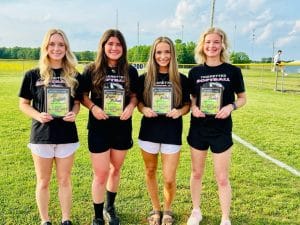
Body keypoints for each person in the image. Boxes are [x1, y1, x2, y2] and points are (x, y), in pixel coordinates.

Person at [19, 28, 82, 225]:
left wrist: (74, 112)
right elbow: (23, 104)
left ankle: (66, 219)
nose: (56, 48)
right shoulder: (32, 74)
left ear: (66, 48)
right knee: (43, 181)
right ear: (45, 47)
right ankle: (45, 220)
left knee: (65, 180)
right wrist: (38, 115)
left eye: (61, 44)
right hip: (41, 136)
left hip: (66, 136)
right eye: (52, 44)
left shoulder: (73, 75)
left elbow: (77, 102)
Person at [186, 27, 246, 225]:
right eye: (208, 42)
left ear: (223, 45)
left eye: (216, 42)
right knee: (196, 173)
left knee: (222, 178)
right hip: (198, 129)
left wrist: (231, 106)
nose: (212, 46)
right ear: (202, 45)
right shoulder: (195, 72)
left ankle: (225, 217)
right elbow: (192, 98)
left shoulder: (233, 71)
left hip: (221, 130)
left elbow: (242, 98)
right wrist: (194, 107)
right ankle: (196, 211)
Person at [80, 29, 138, 225]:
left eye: (118, 44)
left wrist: (131, 107)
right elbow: (83, 95)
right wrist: (93, 107)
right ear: (103, 46)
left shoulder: (130, 70)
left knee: (116, 169)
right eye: (110, 44)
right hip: (98, 127)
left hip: (122, 127)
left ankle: (110, 207)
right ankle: (97, 216)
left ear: (123, 47)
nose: (114, 48)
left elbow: (134, 96)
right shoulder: (91, 69)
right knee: (101, 173)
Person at [137, 36, 190, 225]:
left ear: (172, 54)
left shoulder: (181, 79)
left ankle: (168, 209)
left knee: (169, 178)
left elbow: (187, 105)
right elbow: (139, 103)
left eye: (167, 52)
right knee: (150, 170)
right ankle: (156, 209)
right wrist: (144, 109)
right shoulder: (144, 78)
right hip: (149, 132)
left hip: (172, 132)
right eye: (159, 52)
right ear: (153, 54)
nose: (163, 56)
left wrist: (179, 111)